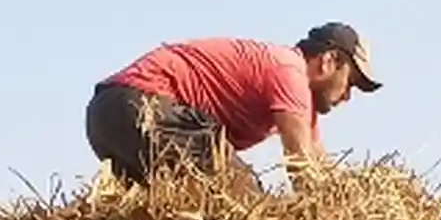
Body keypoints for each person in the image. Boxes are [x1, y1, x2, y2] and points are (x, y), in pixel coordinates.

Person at [85, 23, 380, 191]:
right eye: (350, 83)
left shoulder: (302, 104)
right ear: (328, 62)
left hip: (107, 115)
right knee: (243, 193)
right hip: (141, 105)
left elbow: (320, 165)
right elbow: (303, 168)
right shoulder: (289, 71)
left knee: (182, 212)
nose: (347, 97)